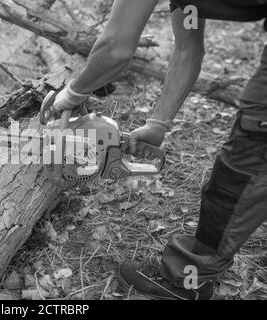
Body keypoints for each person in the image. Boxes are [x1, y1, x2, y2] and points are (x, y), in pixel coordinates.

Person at [50, 0, 267, 300]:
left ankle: (188, 281)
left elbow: (116, 48)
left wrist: (72, 93)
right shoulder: (189, 5)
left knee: (248, 155)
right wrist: (158, 123)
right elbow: (187, 50)